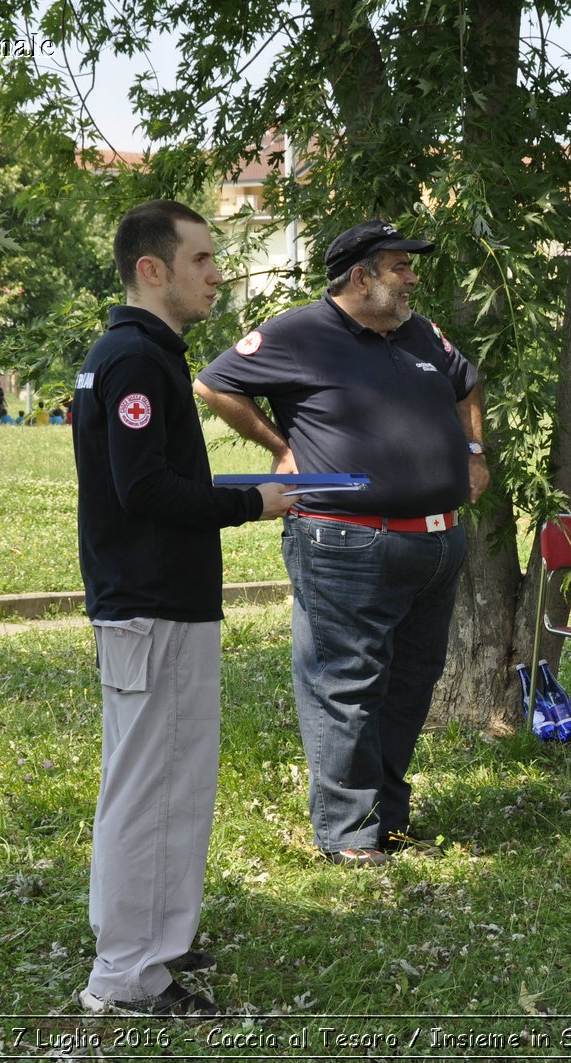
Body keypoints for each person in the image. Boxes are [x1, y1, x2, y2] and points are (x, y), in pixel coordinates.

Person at [195, 219, 490, 869]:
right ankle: (349, 833)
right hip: (344, 542)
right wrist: (281, 446)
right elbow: (214, 383)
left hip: (436, 546)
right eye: (400, 267)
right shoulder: (300, 332)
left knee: (412, 683)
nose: (413, 277)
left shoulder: (420, 333)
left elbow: (466, 382)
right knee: (345, 685)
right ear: (361, 277)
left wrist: (473, 451)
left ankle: (386, 815)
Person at [72, 199, 290, 1016]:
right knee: (150, 788)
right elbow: (145, 489)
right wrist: (251, 503)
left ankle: (152, 942)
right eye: (201, 258)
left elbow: (152, 483)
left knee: (167, 783)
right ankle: (126, 975)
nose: (217, 273)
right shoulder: (134, 359)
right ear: (151, 269)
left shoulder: (143, 354)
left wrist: (245, 494)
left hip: (161, 605)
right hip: (152, 606)